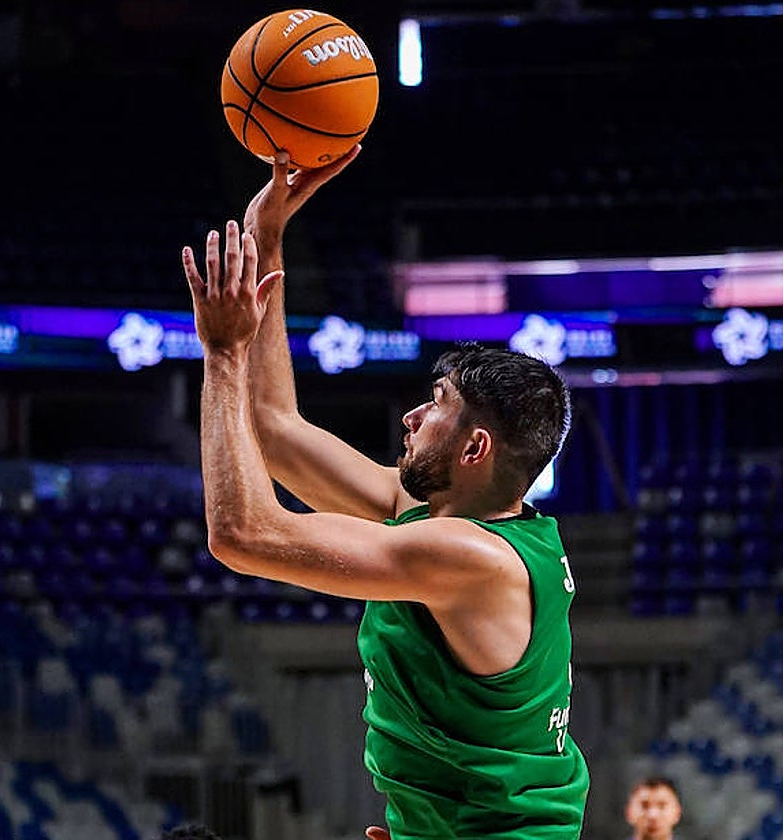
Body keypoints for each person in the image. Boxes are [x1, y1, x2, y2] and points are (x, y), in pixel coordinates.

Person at [180, 148, 589, 839]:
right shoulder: (441, 517)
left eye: (437, 403)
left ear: (474, 448)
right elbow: (276, 434)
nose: (411, 416)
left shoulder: (469, 558)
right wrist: (269, 240)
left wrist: (223, 354)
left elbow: (243, 534)